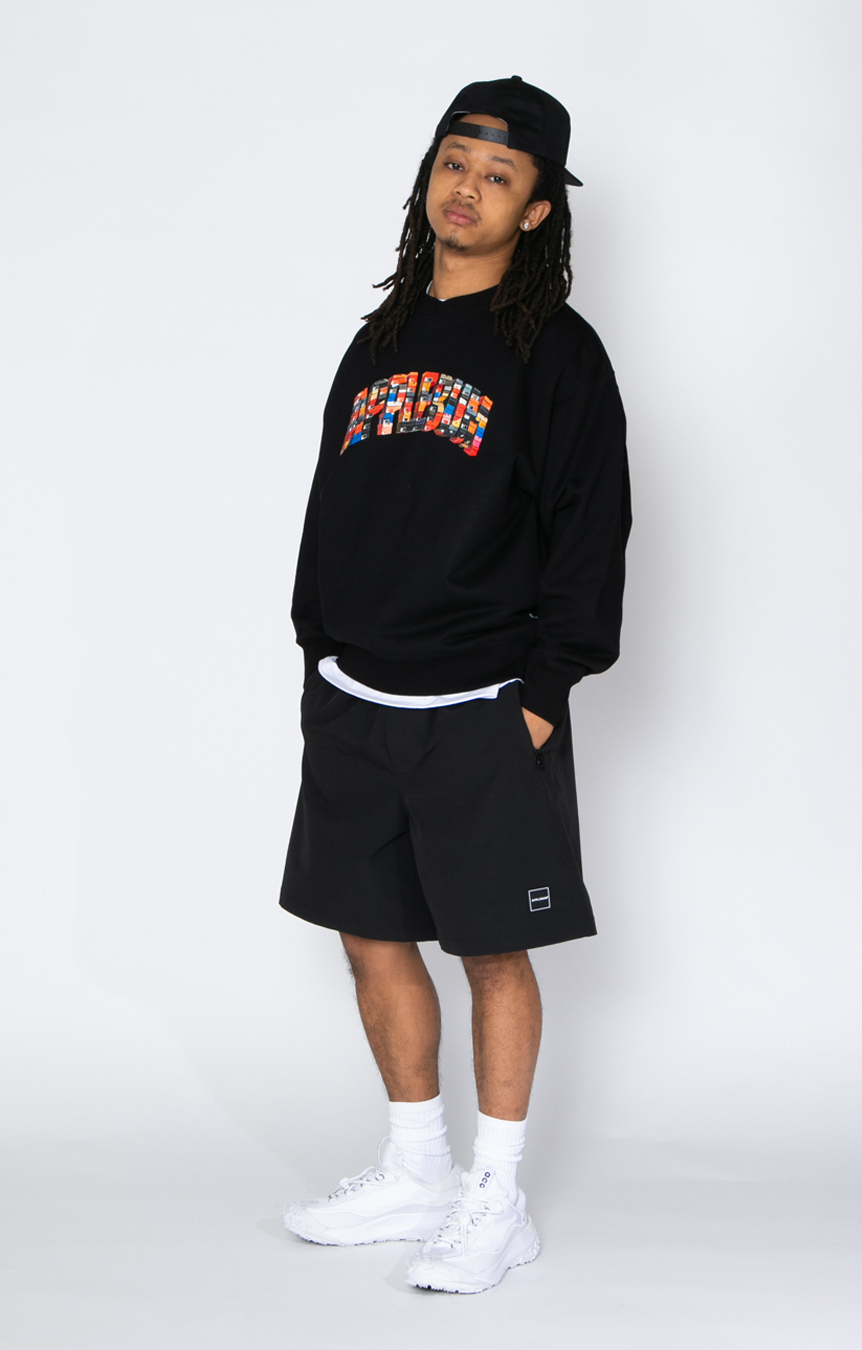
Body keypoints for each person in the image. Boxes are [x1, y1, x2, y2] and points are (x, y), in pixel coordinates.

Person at [278, 76, 630, 1294]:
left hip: (482, 703)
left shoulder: (559, 354)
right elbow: (332, 503)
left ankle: (497, 1199)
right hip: (356, 697)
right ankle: (417, 1169)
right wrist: (316, 649)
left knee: (491, 950)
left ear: (536, 210)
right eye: (453, 162)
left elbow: (592, 529)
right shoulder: (379, 342)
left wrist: (541, 692)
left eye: (498, 174)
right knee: (370, 935)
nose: (466, 188)